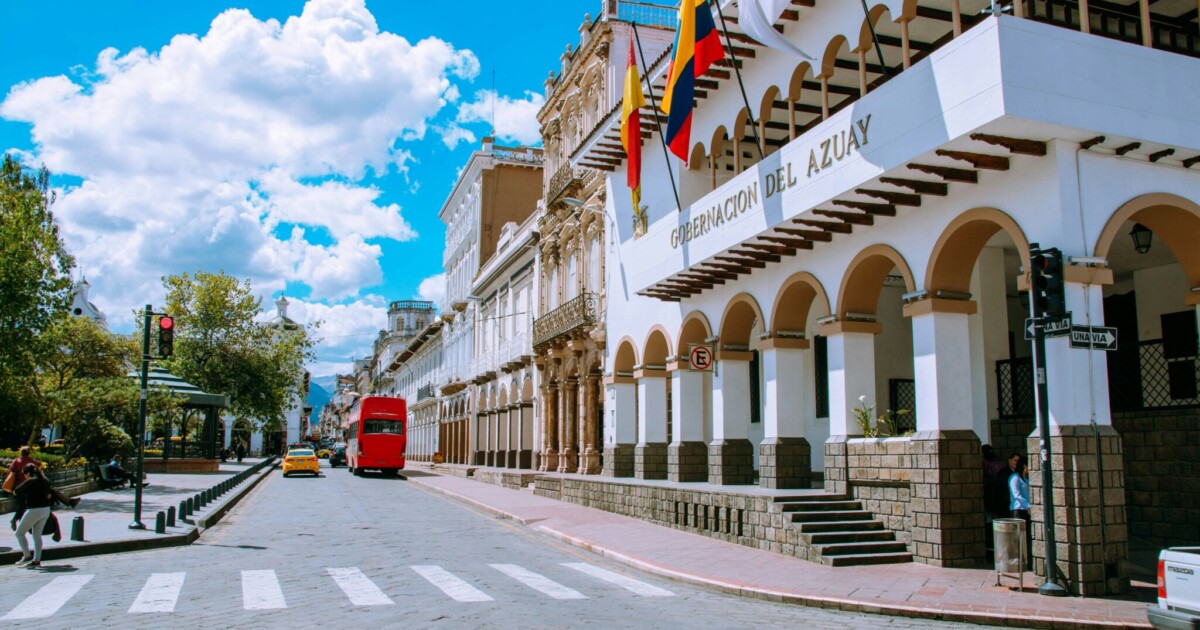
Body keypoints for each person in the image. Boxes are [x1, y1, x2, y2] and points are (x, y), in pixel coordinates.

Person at [13, 464, 77, 568]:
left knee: (19, 533)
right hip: (45, 510)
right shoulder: (44, 480)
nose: (24, 476)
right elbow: (49, 495)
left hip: (34, 510)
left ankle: (27, 555)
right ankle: (36, 560)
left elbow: (16, 492)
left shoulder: (30, 480)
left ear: (28, 473)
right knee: (36, 535)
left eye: (24, 474)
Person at [8, 446, 41, 530]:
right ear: (29, 453)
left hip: (18, 487)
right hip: (29, 487)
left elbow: (9, 472)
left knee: (21, 505)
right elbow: (39, 468)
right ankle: (21, 522)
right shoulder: (32, 461)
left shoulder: (16, 461)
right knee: (27, 505)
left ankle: (17, 520)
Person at [1008, 456, 1032, 567]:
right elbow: (1016, 494)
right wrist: (1027, 505)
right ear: (1024, 466)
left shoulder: (1025, 478)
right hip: (1018, 509)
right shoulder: (1015, 478)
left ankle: (1027, 559)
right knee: (1019, 536)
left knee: (1027, 536)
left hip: (1026, 509)